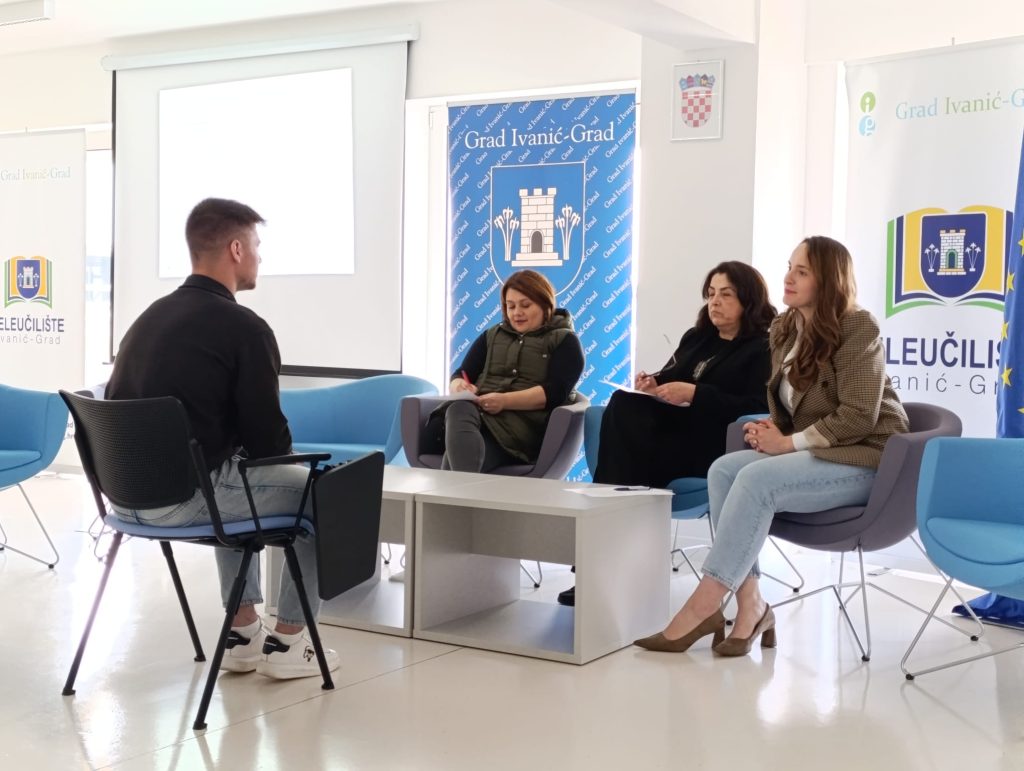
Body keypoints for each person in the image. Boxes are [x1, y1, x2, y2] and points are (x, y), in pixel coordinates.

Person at [634, 235, 908, 656]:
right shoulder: (785, 328)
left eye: (802, 271)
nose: (788, 278)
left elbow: (858, 415)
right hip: (817, 453)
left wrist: (788, 443)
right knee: (724, 469)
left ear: (828, 280)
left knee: (756, 479)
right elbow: (792, 403)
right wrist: (771, 429)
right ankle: (752, 606)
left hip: (865, 458)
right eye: (789, 268)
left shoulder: (858, 327)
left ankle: (704, 605)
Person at [106, 197, 336, 680]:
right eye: (256, 245)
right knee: (326, 494)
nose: (259, 256)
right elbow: (269, 446)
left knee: (225, 472)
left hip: (124, 500)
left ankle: (243, 632)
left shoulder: (146, 320)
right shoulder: (245, 329)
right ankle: (291, 641)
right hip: (189, 500)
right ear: (235, 249)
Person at [556, 261, 775, 606]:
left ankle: (600, 567)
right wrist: (653, 383)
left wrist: (696, 394)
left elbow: (759, 405)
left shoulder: (763, 348)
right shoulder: (697, 338)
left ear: (749, 300)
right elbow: (672, 375)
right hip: (669, 438)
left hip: (715, 446)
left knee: (623, 457)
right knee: (624, 404)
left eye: (726, 295)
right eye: (711, 294)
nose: (715, 302)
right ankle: (609, 565)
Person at [434, 269, 584, 472]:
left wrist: (504, 401)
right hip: (480, 420)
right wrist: (459, 385)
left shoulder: (565, 341)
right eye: (510, 306)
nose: (516, 313)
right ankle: (460, 490)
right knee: (459, 412)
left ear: (545, 304)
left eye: (525, 305)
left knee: (456, 454)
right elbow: (461, 373)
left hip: (522, 431)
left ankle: (452, 491)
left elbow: (555, 392)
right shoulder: (491, 335)